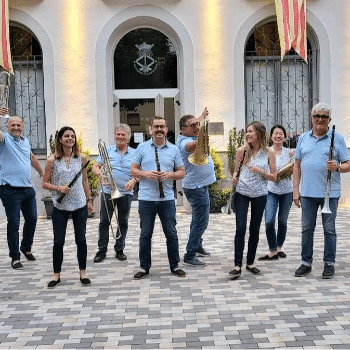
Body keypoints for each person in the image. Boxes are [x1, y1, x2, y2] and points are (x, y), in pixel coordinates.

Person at [293, 102, 350, 279]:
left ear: (329, 120)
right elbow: (296, 166)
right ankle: (306, 263)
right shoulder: (303, 138)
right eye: (317, 116)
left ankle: (329, 264)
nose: (320, 119)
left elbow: (348, 164)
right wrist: (296, 190)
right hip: (308, 193)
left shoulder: (337, 138)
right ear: (311, 118)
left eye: (324, 117)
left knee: (329, 230)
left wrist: (338, 167)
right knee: (306, 229)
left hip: (329, 193)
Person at [130, 116, 186, 279]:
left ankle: (174, 265)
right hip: (146, 199)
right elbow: (133, 170)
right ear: (151, 129)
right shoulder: (142, 147)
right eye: (156, 127)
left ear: (166, 129)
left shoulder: (174, 149)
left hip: (167, 199)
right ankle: (144, 267)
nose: (159, 130)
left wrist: (169, 174)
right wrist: (145, 174)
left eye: (162, 127)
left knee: (171, 233)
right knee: (145, 234)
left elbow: (181, 172)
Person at [42, 126, 94, 288]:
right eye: (66, 136)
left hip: (79, 204)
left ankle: (83, 272)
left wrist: (89, 200)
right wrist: (58, 189)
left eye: (72, 136)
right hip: (60, 205)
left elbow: (85, 181)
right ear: (60, 139)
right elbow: (44, 183)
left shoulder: (82, 158)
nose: (70, 138)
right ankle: (56, 274)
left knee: (81, 239)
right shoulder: (52, 160)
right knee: (58, 241)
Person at [229, 121, 277, 280]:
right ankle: (237, 265)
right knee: (240, 228)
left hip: (260, 194)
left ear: (259, 134)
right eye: (247, 131)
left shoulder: (269, 153)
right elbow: (236, 171)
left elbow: (274, 177)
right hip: (242, 192)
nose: (248, 134)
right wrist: (234, 177)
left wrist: (261, 171)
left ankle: (250, 262)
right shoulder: (241, 151)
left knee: (254, 229)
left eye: (251, 131)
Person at [0, 112, 43, 269]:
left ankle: (25, 247)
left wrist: (42, 173)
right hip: (9, 189)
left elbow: (32, 158)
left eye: (18, 125)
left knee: (32, 219)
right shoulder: (4, 140)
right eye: (13, 125)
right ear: (7, 126)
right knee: (14, 223)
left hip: (27, 188)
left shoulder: (25, 141)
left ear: (22, 127)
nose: (16, 128)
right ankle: (15, 257)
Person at [176, 108, 216, 267]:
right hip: (196, 187)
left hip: (201, 184)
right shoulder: (184, 142)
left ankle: (197, 245)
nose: (196, 127)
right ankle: (190, 254)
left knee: (197, 219)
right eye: (192, 125)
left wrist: (201, 119)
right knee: (201, 222)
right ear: (183, 129)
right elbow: (193, 146)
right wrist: (201, 133)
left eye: (197, 125)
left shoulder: (190, 133)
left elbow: (195, 125)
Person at [92, 124, 137, 263]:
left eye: (123, 135)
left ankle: (119, 249)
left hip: (126, 192)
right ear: (114, 135)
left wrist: (134, 180)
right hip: (108, 191)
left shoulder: (135, 153)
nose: (120, 137)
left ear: (128, 137)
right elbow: (95, 166)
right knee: (104, 222)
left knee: (123, 221)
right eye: (118, 134)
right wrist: (100, 175)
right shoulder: (107, 150)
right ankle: (102, 250)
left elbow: (141, 171)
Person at [258, 125, 294, 261]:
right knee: (269, 221)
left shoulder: (290, 153)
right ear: (271, 136)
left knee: (283, 221)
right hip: (270, 190)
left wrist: (290, 171)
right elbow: (262, 170)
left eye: (281, 134)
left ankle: (279, 248)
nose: (278, 136)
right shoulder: (266, 152)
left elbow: (295, 170)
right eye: (275, 133)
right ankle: (272, 249)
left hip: (287, 191)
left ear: (284, 136)